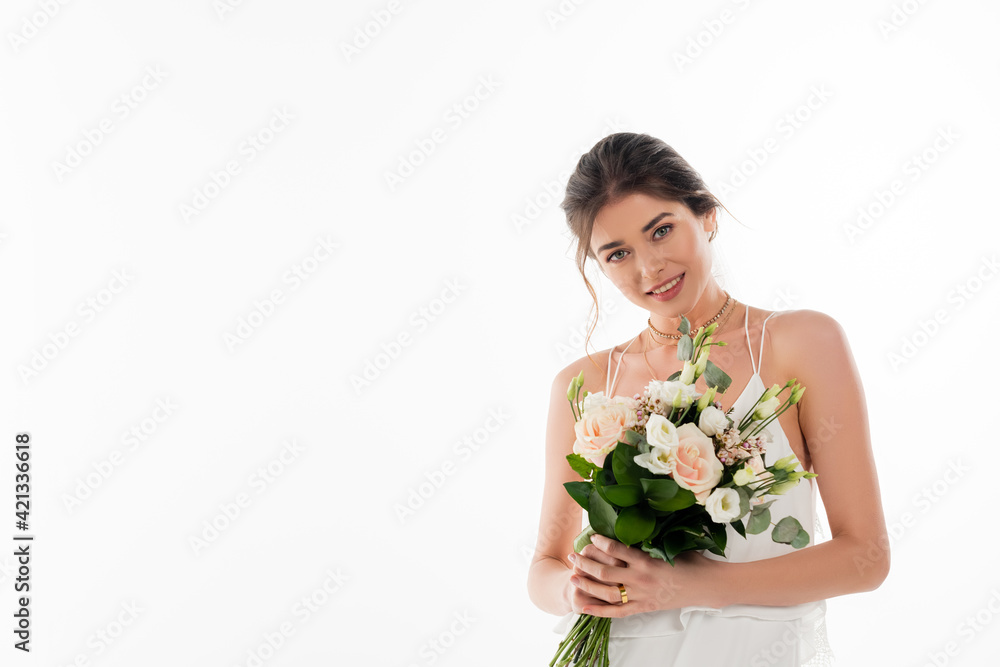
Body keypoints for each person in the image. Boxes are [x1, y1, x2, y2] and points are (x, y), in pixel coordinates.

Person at [526, 132, 890, 666]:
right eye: (618, 253)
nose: (649, 268)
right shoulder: (582, 385)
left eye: (662, 231)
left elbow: (866, 557)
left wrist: (696, 586)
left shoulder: (801, 343)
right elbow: (544, 565)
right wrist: (573, 590)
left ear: (707, 216)